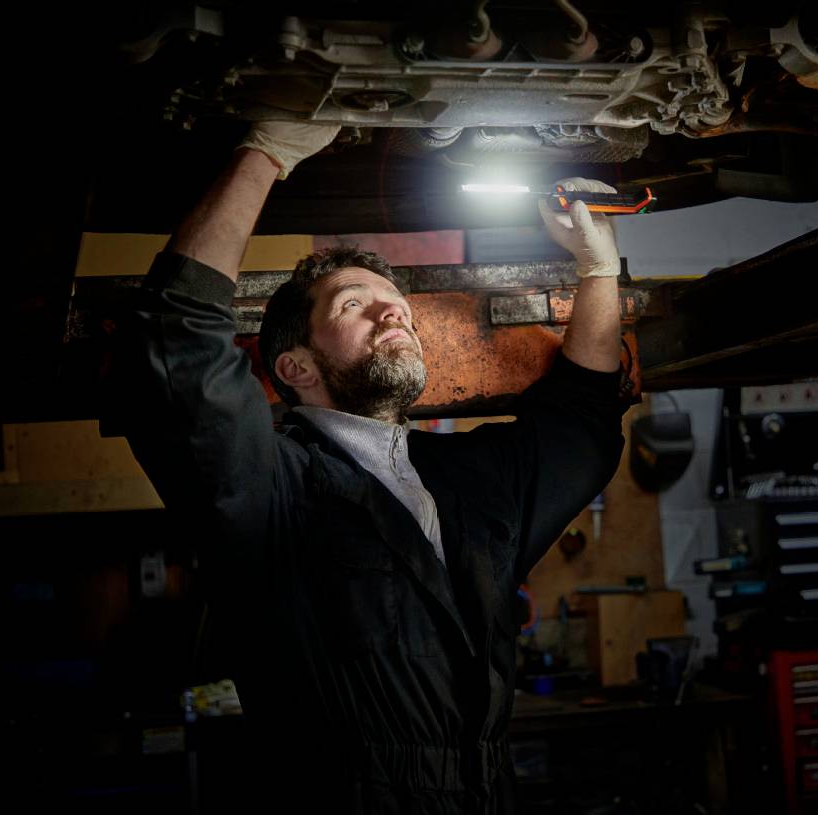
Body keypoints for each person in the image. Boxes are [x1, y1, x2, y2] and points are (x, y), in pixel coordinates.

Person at [107, 121, 628, 812]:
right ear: (295, 367)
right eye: (355, 305)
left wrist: (598, 270)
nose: (393, 313)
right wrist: (266, 151)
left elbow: (582, 424)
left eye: (399, 307)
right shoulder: (272, 486)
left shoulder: (466, 477)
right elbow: (178, 344)